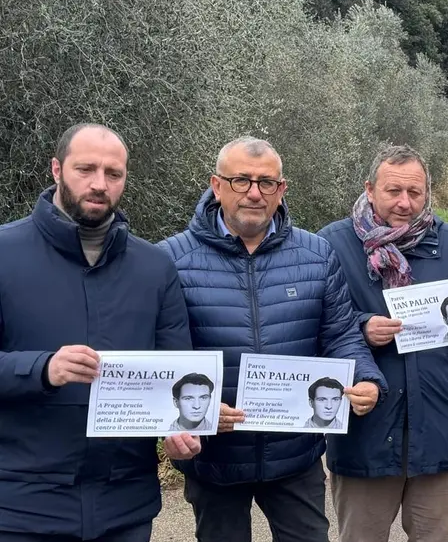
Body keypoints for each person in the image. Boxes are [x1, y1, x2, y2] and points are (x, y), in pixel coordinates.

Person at [161, 136, 387, 542]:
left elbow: (340, 335)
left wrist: (368, 379)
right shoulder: (171, 259)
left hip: (295, 452)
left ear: (281, 190)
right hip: (216, 457)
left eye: (266, 183)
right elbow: (161, 355)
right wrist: (179, 423)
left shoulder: (317, 254)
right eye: (240, 181)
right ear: (216, 185)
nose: (253, 193)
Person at [0, 123, 200, 541]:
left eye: (113, 174)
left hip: (124, 507)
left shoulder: (154, 268)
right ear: (56, 169)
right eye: (85, 169)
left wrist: (178, 434)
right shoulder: (5, 253)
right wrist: (42, 369)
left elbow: (177, 373)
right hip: (21, 507)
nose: (99, 184)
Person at [318, 145, 448, 542]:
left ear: (427, 192)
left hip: (438, 425)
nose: (404, 202)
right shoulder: (330, 244)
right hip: (364, 430)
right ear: (369, 189)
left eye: (415, 193)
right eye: (393, 191)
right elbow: (316, 324)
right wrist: (362, 327)